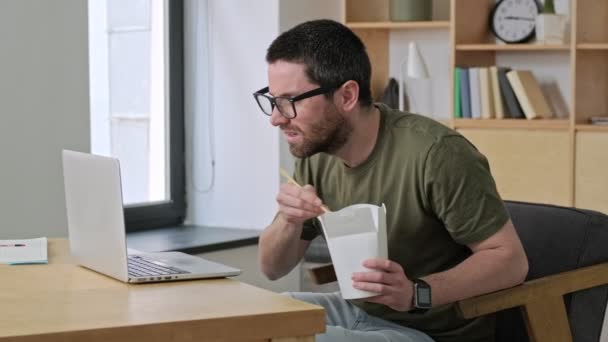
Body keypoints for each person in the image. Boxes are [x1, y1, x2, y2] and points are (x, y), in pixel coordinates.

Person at [254, 19, 528, 342]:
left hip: (430, 331)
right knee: (251, 322)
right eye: (273, 101)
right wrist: (289, 220)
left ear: (347, 96)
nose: (275, 118)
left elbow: (511, 261)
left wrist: (416, 293)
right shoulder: (317, 153)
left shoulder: (437, 155)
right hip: (359, 313)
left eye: (289, 101)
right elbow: (271, 268)